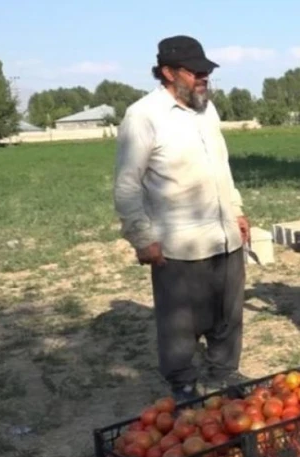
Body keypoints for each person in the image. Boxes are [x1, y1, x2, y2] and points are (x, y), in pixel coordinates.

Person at [113, 35, 250, 402]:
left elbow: (222, 168)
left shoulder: (208, 110)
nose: (204, 77)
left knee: (228, 314)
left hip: (224, 236)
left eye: (206, 71)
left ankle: (224, 373)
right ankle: (184, 385)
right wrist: (142, 237)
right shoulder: (143, 116)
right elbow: (127, 184)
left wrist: (236, 210)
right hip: (178, 244)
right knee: (180, 325)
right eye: (195, 72)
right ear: (167, 72)